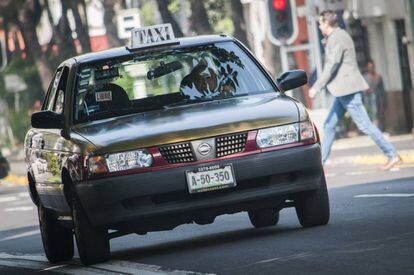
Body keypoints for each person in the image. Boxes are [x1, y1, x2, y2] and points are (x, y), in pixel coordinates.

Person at [309, 10, 402, 170]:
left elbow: (331, 66)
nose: (319, 26)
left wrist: (316, 87)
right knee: (329, 125)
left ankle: (392, 154)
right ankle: (321, 163)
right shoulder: (341, 35)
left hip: (347, 90)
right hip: (342, 90)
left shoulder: (335, 39)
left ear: (326, 22)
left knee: (365, 125)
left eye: (320, 23)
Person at [363, 60, 387, 131]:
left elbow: (382, 90)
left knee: (378, 114)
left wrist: (384, 101)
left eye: (372, 66)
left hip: (378, 99)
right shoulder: (365, 77)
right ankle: (374, 129)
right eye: (369, 67)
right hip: (368, 100)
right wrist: (367, 91)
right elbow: (363, 90)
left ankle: (378, 129)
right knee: (371, 114)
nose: (371, 68)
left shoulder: (378, 76)